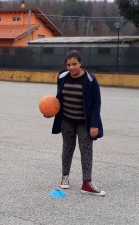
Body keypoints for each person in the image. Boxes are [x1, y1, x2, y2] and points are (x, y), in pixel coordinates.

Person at [51, 50, 105, 196]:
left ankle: (87, 183)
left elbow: (96, 103)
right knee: (67, 148)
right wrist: (50, 112)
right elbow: (59, 99)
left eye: (74, 64)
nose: (71, 67)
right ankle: (65, 177)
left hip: (84, 123)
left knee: (86, 151)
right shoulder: (62, 77)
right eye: (68, 65)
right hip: (67, 121)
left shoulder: (90, 79)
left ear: (80, 63)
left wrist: (94, 124)